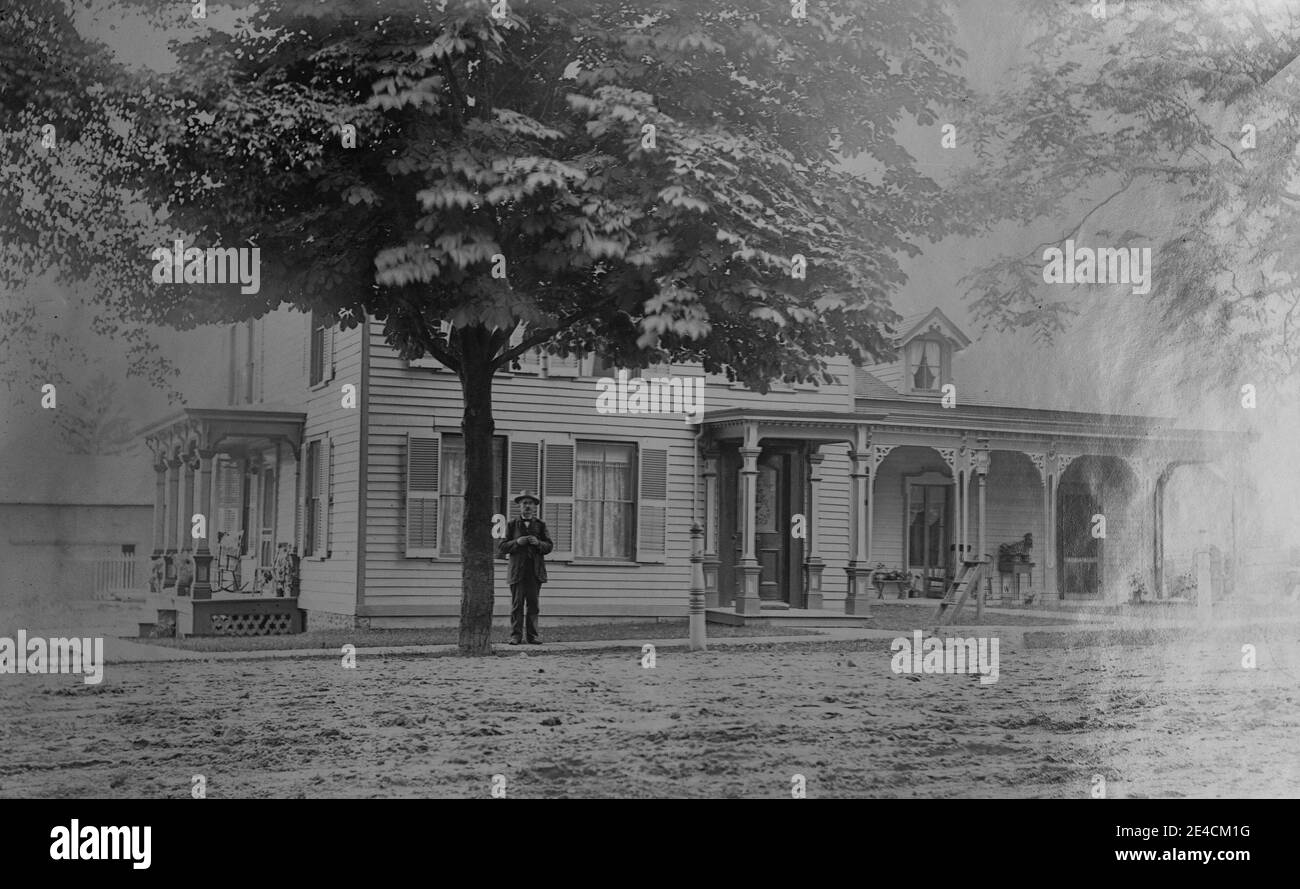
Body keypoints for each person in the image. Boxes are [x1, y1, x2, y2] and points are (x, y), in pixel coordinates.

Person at [497, 490, 553, 645]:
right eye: (524, 503)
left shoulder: (541, 525)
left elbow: (549, 546)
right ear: (519, 506)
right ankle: (515, 636)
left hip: (535, 572)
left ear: (535, 507)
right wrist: (517, 542)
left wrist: (538, 543)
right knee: (517, 605)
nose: (527, 506)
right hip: (517, 572)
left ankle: (532, 636)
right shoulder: (511, 524)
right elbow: (501, 547)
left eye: (530, 503)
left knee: (533, 605)